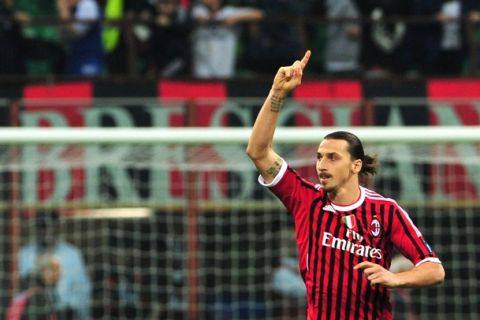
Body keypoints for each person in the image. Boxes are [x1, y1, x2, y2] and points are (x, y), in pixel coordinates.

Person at [246, 50, 445, 319]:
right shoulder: (305, 199)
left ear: (356, 165)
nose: (321, 164)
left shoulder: (386, 210)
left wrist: (397, 278)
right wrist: (277, 92)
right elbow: (258, 151)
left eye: (332, 157)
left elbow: (434, 269)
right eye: (318, 157)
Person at [18, 210, 92, 320]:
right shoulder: (24, 254)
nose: (47, 230)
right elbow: (17, 293)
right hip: (33, 314)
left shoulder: (72, 254)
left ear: (58, 227)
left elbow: (83, 291)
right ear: (37, 228)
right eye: (42, 226)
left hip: (65, 313)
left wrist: (66, 306)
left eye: (51, 226)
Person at [191, 0, 263, 78]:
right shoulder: (198, 11)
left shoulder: (228, 12)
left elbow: (259, 14)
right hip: (201, 69)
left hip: (223, 70)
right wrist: (204, 20)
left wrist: (235, 18)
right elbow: (196, 16)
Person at [56, 0, 104, 76]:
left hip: (89, 60)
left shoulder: (88, 4)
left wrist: (63, 10)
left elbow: (75, 33)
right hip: (74, 59)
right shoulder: (73, 9)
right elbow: (62, 36)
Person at [6, 254, 60, 320]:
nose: (57, 274)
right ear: (44, 270)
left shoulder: (28, 285)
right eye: (54, 270)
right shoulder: (39, 294)